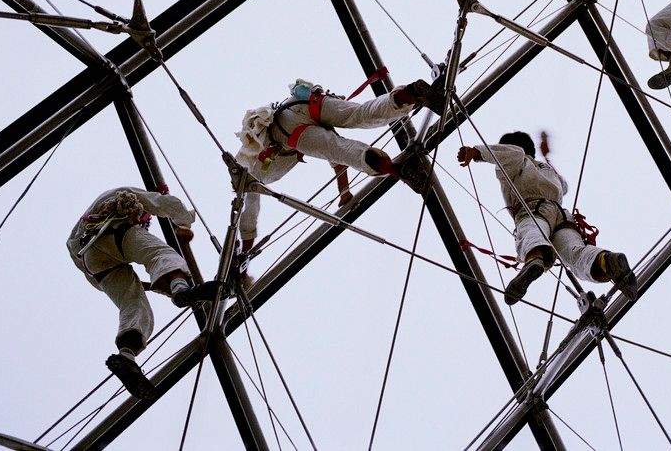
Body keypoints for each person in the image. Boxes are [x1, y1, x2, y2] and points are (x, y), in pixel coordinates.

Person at [235, 78, 443, 252]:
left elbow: (335, 151)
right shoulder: (268, 151)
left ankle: (397, 170)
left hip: (286, 130)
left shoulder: (259, 170)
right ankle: (410, 93)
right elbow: (335, 157)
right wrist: (344, 192)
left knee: (340, 148)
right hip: (305, 102)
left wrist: (246, 248)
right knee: (361, 114)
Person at [67, 187, 217, 399]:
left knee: (133, 304)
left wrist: (154, 285)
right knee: (160, 254)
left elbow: (101, 278)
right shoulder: (125, 193)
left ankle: (127, 356)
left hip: (91, 260)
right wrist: (185, 219)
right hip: (115, 231)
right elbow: (162, 203)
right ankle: (181, 289)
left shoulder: (81, 226)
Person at [457, 131, 638, 306]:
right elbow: (564, 186)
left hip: (533, 208)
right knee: (573, 252)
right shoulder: (546, 169)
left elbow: (511, 153)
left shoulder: (515, 158)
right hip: (562, 216)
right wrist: (548, 163)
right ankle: (605, 261)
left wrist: (476, 152)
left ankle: (535, 258)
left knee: (531, 231)